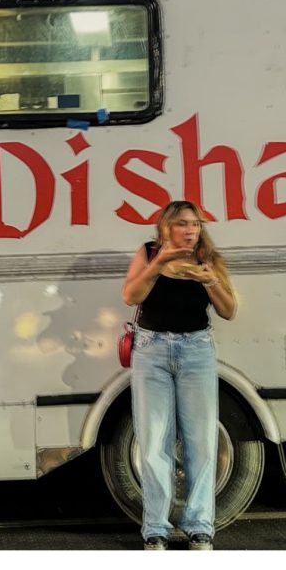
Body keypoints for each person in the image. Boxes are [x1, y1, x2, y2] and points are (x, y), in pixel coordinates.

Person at [122, 200, 237, 551]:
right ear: (166, 227)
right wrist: (158, 264)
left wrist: (211, 280)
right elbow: (130, 295)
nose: (190, 230)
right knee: (153, 441)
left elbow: (229, 310)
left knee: (200, 442)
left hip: (196, 351)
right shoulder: (148, 253)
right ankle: (156, 528)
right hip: (151, 351)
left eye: (195, 224)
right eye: (183, 224)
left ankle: (199, 526)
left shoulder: (208, 257)